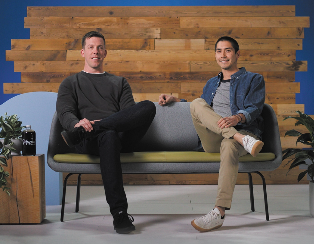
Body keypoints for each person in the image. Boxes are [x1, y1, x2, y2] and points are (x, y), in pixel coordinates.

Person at [159, 36, 265, 232]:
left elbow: (256, 108)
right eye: (219, 51)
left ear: (237, 54)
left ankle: (218, 212)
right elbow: (202, 112)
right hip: (216, 138)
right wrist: (177, 99)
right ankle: (240, 139)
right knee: (198, 103)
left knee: (229, 144)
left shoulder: (254, 79)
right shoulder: (210, 84)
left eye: (228, 50)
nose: (223, 55)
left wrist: (237, 118)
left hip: (241, 133)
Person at [56, 31, 156, 234]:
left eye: (100, 47)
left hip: (119, 136)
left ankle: (101, 127)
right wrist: (77, 125)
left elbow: (130, 114)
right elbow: (65, 112)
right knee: (107, 136)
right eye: (91, 47)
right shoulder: (70, 83)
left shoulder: (119, 82)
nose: (96, 51)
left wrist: (104, 124)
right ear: (83, 52)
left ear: (105, 53)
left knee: (148, 106)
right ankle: (119, 214)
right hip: (88, 138)